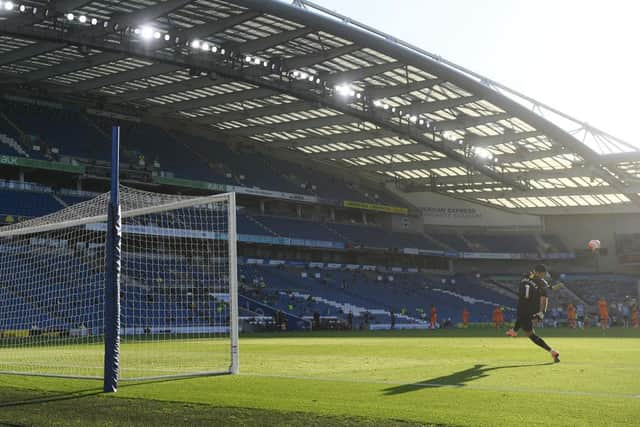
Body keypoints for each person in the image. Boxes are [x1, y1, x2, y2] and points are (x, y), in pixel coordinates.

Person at [506, 264, 560, 363]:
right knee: (523, 320)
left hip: (522, 307)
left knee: (530, 334)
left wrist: (545, 284)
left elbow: (531, 278)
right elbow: (544, 299)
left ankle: (552, 351)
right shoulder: (542, 283)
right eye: (543, 274)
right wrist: (542, 312)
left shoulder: (525, 276)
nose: (544, 276)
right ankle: (513, 330)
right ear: (540, 273)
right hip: (532, 309)